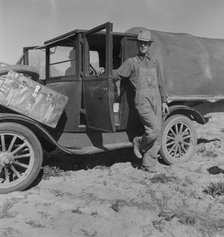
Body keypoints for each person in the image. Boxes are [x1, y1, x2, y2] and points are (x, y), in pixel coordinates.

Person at [113, 30, 169, 172]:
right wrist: (105, 72)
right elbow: (117, 73)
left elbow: (162, 82)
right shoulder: (131, 63)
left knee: (158, 133)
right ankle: (139, 142)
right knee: (154, 129)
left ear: (149, 45)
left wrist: (164, 101)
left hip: (156, 100)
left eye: (146, 43)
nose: (143, 45)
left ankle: (148, 164)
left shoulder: (155, 62)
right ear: (138, 44)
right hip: (142, 101)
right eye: (141, 43)